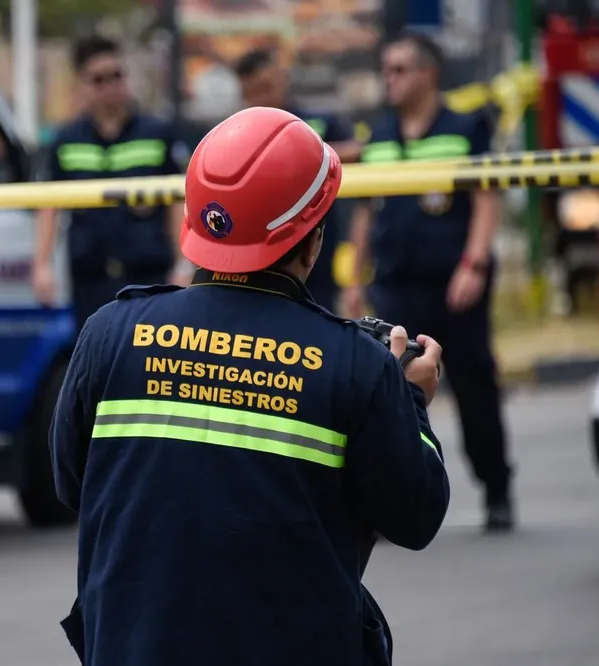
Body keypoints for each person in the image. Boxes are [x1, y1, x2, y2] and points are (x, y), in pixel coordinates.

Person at [49, 106, 449, 666]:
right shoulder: (356, 365)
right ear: (312, 242)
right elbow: (416, 515)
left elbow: (73, 484)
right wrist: (411, 403)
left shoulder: (108, 334)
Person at [342, 32, 515, 532]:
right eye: (386, 70)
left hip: (454, 284)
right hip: (396, 284)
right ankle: (388, 503)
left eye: (399, 70)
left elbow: (486, 197)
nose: (389, 79)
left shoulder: (465, 128)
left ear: (429, 74)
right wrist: (355, 279)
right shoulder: (379, 136)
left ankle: (497, 490)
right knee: (389, 395)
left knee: (475, 387)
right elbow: (366, 211)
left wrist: (474, 263)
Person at [34, 35, 192, 329]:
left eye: (116, 76)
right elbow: (49, 204)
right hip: (90, 277)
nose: (110, 86)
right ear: (82, 85)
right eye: (99, 79)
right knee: (94, 353)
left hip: (147, 275)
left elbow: (177, 201)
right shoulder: (66, 141)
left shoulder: (157, 134)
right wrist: (42, 265)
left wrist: (183, 264)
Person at [233, 48, 360, 313]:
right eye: (253, 92)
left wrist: (301, 154)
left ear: (282, 79)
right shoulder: (238, 132)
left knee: (319, 313)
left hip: (315, 241)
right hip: (258, 244)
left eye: (266, 87)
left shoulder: (318, 123)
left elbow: (354, 151)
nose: (262, 97)